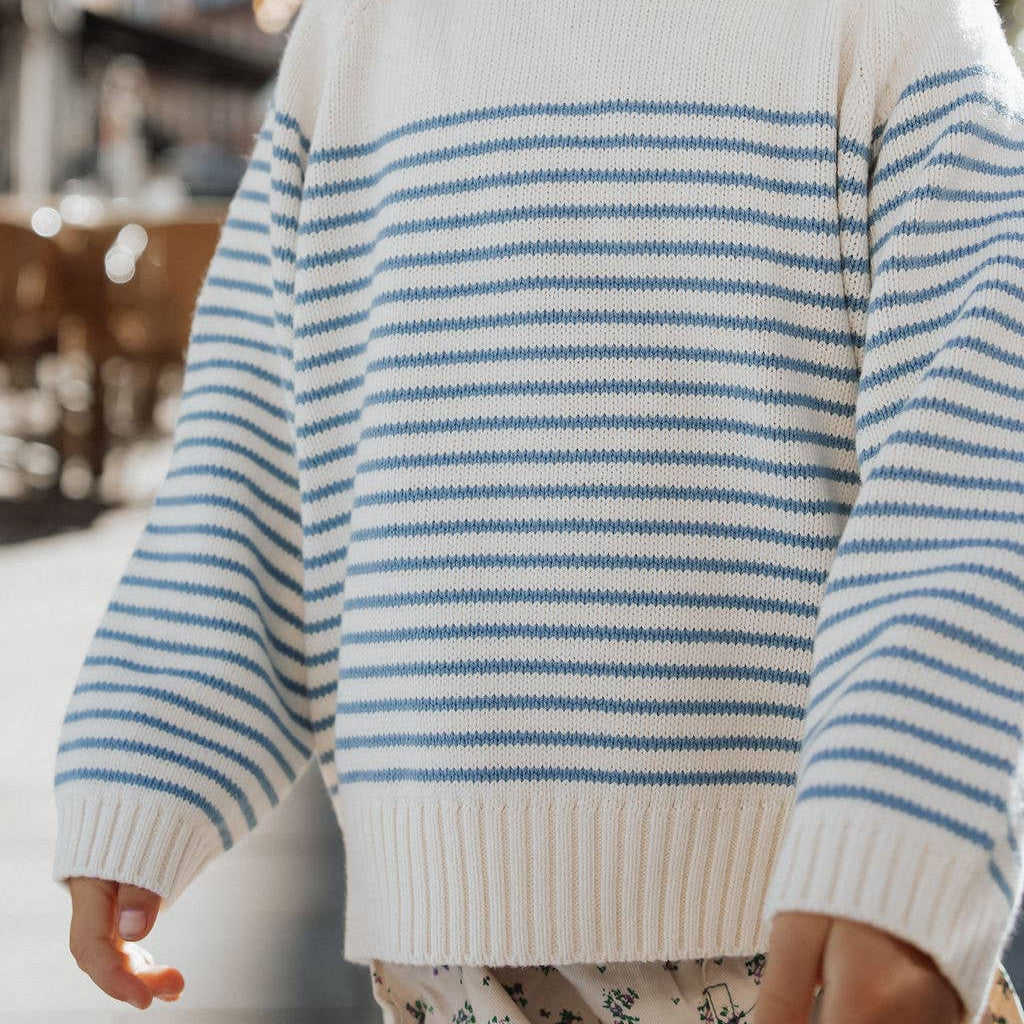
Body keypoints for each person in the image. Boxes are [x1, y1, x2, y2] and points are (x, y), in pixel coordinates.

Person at [53, 0, 1024, 1021]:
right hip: (452, 958)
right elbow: (251, 449)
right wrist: (145, 756)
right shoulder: (355, 37)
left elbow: (970, 461)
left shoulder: (889, 26)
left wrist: (905, 842)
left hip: (805, 933)